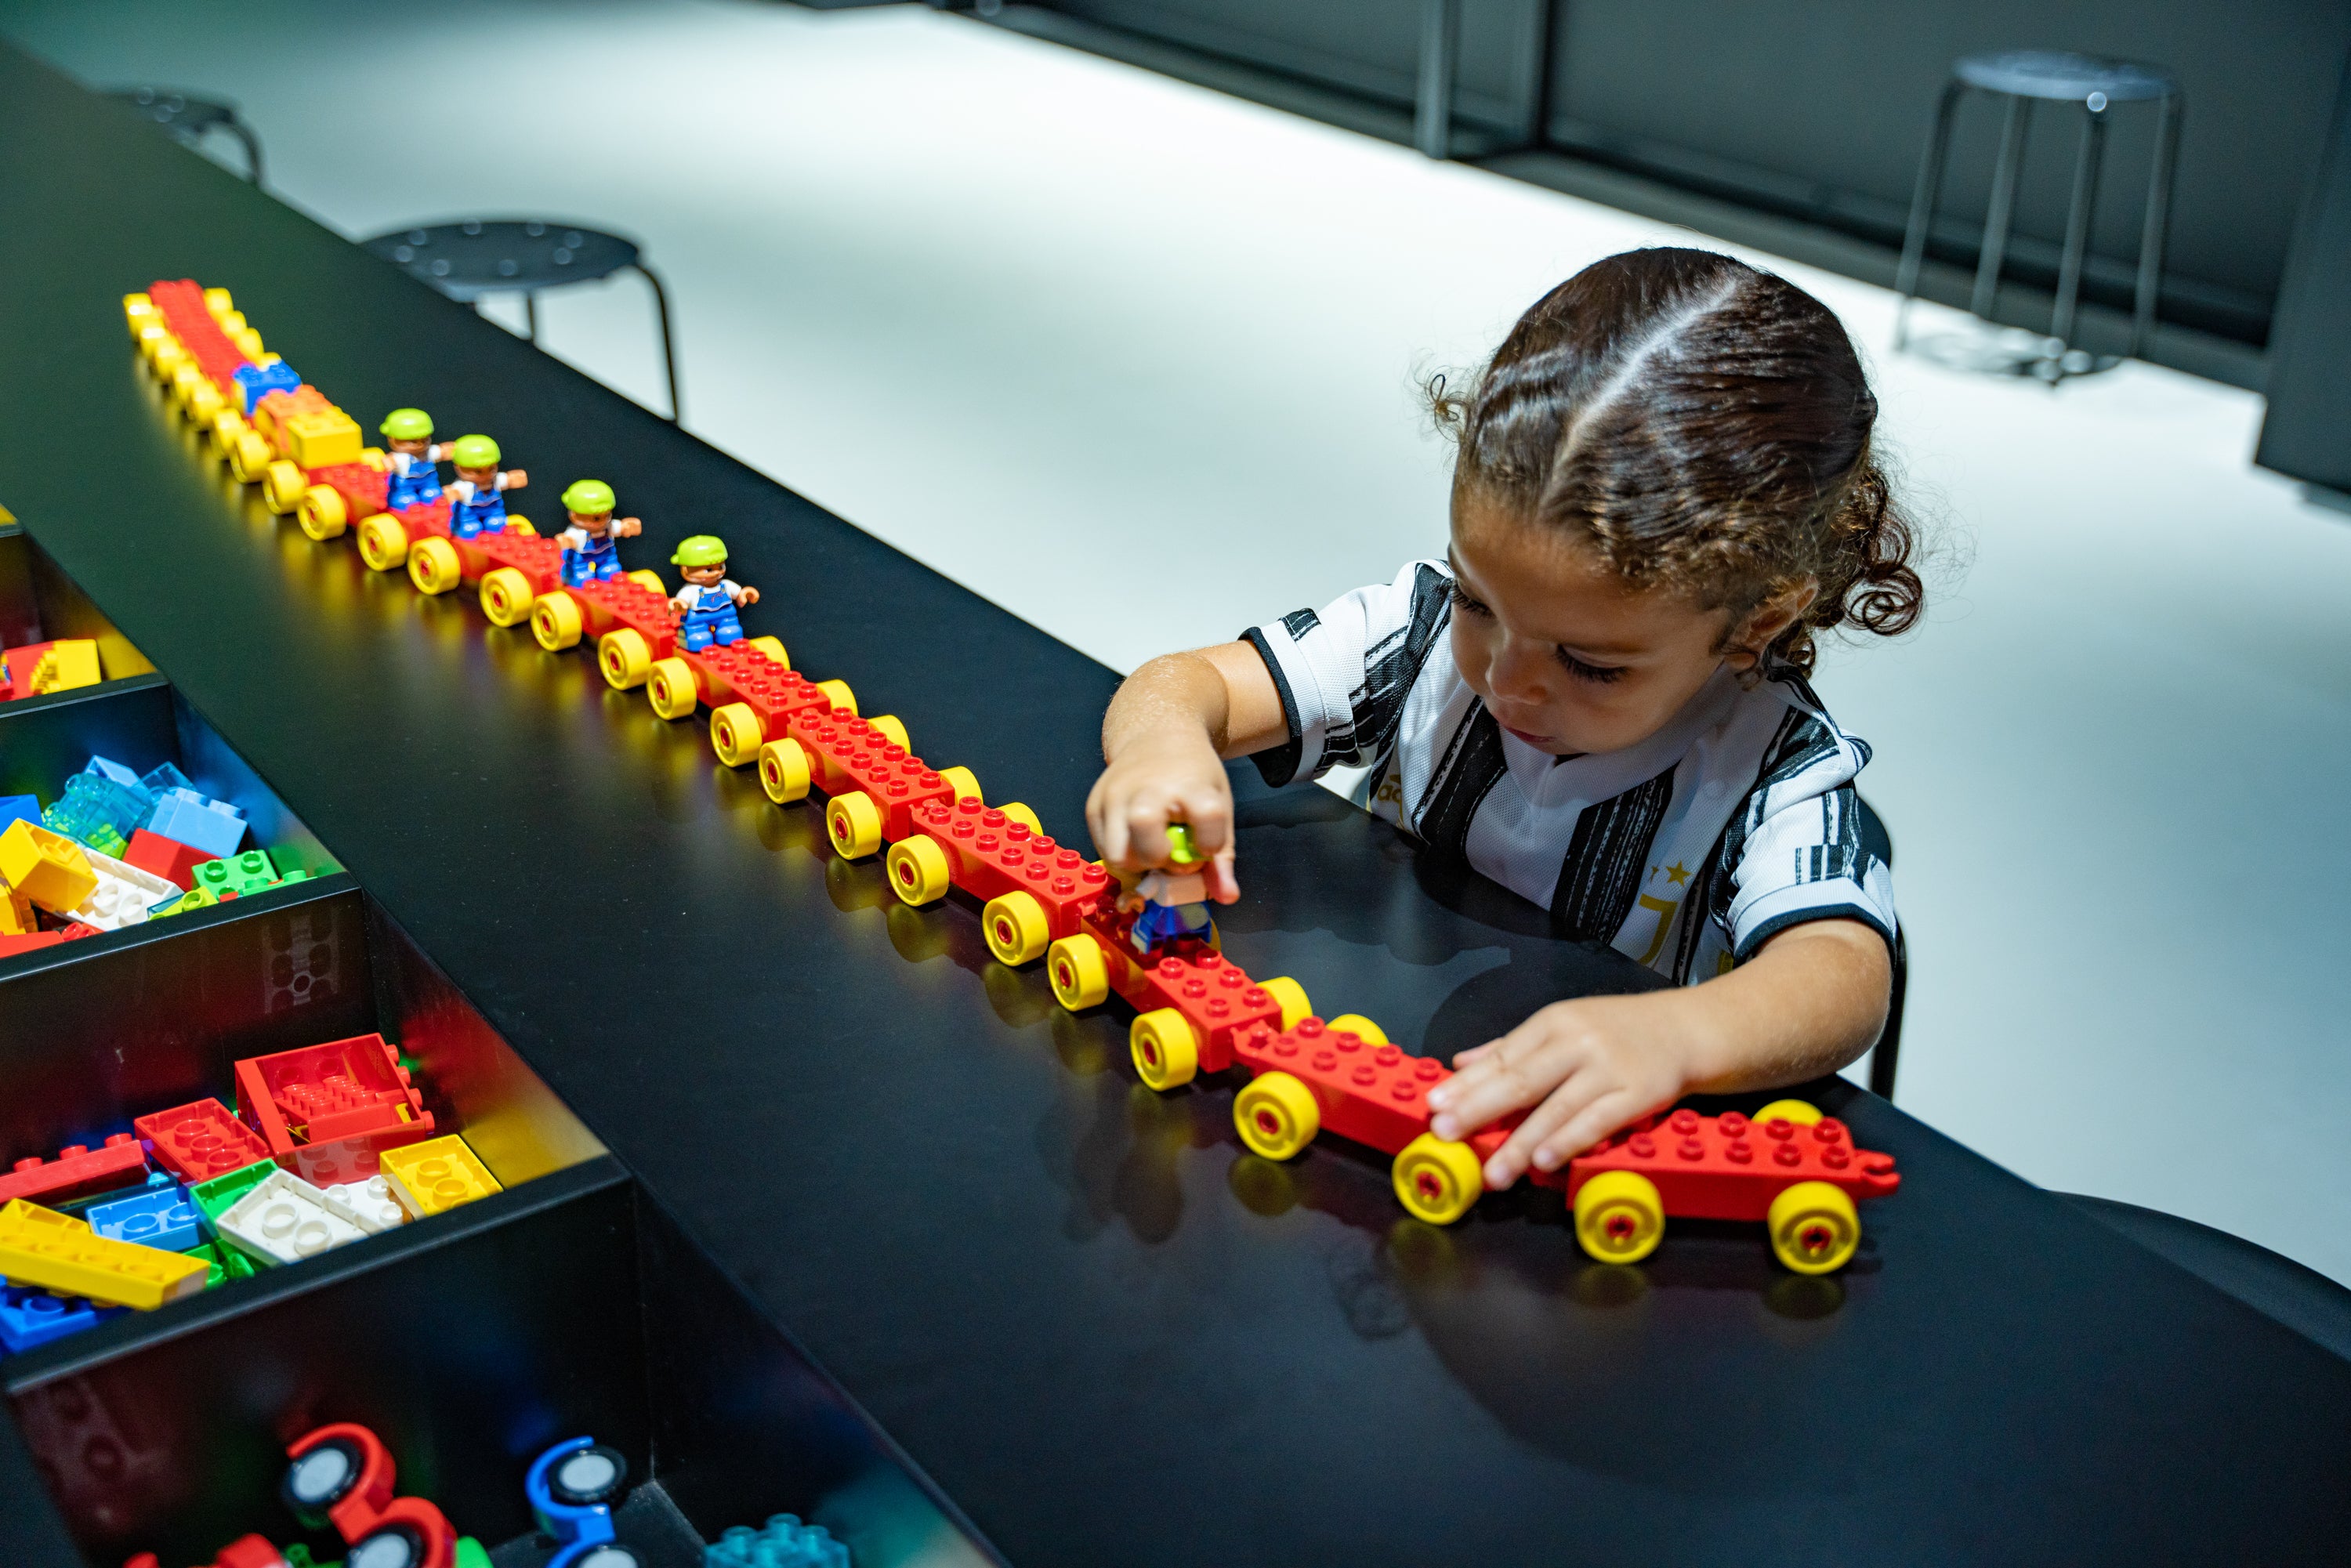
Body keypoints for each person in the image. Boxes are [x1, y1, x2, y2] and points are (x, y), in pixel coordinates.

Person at [1085, 248, 1924, 1194]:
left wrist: (1683, 1037)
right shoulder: (1424, 633)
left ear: (1757, 621)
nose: (1506, 680)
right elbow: (1184, 683)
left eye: (1591, 664)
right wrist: (1162, 748)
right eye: (1482, 601)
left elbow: (1845, 973)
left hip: (1562, 1165)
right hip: (1349, 1115)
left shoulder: (1772, 774)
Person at [668, 536, 760, 652]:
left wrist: (744, 594)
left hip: (725, 615)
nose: (717, 572)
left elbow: (738, 593)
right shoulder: (691, 590)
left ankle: (726, 631)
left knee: (731, 631)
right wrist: (679, 604)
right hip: (698, 618)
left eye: (721, 567)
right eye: (709, 570)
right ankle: (696, 636)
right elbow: (682, 600)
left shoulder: (725, 585)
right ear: (685, 569)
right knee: (698, 637)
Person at [554, 480, 643, 588]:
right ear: (573, 515)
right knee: (582, 577)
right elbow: (570, 539)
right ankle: (569, 576)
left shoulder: (608, 526)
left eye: (607, 515)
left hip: (606, 555)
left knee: (610, 571)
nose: (603, 521)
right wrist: (567, 542)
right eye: (596, 518)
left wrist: (626, 527)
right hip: (581, 558)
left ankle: (606, 580)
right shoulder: (577, 533)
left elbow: (618, 528)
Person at [444, 435, 527, 539]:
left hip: (493, 508)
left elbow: (508, 480)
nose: (486, 474)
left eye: (491, 469)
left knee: (497, 525)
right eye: (478, 471)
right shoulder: (465, 486)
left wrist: (513, 479)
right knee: (471, 529)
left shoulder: (496, 479)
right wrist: (453, 493)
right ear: (458, 468)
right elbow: (456, 492)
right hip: (469, 511)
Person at [378, 408, 449, 510]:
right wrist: (389, 462)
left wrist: (451, 451)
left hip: (428, 481)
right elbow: (390, 460)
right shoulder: (401, 458)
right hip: (405, 484)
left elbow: (443, 451)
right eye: (413, 441)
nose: (420, 444)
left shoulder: (429, 452)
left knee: (433, 495)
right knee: (407, 501)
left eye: (425, 439)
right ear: (392, 439)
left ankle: (427, 497)